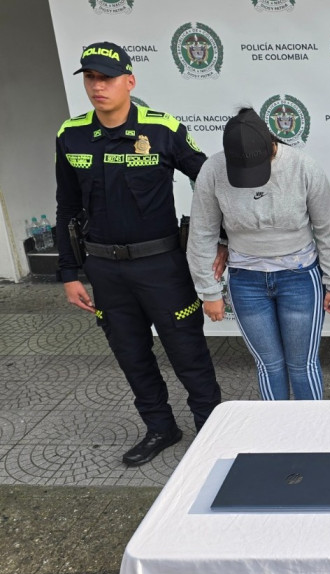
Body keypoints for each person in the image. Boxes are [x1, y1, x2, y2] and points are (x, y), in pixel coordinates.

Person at [54, 42, 222, 466]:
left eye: (106, 78)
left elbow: (210, 184)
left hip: (162, 268)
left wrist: (221, 241)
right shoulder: (70, 134)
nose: (97, 86)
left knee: (188, 353)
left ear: (130, 81)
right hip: (105, 271)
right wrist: (70, 272)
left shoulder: (163, 129)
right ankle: (160, 427)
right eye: (90, 78)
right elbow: (67, 208)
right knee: (131, 354)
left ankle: (212, 428)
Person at [188, 108, 330, 400]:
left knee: (302, 365)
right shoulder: (213, 169)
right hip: (245, 280)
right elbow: (201, 232)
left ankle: (314, 437)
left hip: (299, 277)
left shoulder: (303, 167)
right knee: (268, 365)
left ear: (272, 146)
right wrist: (208, 291)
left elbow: (327, 228)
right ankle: (277, 437)